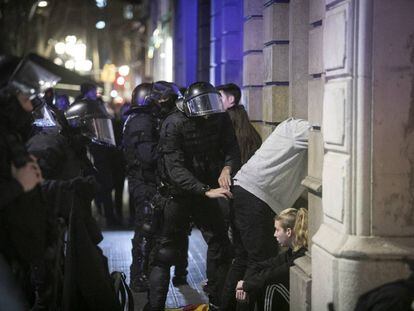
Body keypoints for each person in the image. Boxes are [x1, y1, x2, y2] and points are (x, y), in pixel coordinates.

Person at [147, 81, 241, 310]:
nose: (207, 114)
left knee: (220, 244)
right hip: (177, 194)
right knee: (164, 251)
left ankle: (218, 302)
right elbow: (175, 168)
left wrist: (227, 168)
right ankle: (155, 306)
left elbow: (231, 147)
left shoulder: (218, 117)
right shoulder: (174, 123)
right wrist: (204, 190)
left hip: (207, 190)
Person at [221, 118, 310, 311]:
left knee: (243, 258)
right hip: (257, 197)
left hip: (245, 191)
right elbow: (322, 135)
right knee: (257, 262)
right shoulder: (299, 128)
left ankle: (223, 307)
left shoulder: (288, 127)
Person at [0, 54, 59, 310]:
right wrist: (20, 185)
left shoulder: (9, 133)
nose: (30, 107)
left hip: (19, 255)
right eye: (25, 99)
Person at [235, 208, 308, 311]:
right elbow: (258, 266)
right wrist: (245, 285)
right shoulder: (290, 252)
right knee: (260, 283)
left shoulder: (301, 255)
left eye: (277, 230)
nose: (274, 234)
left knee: (270, 287)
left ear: (288, 232)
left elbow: (275, 274)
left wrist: (246, 285)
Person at [216, 83, 262, 165]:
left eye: (219, 98)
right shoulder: (243, 119)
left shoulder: (226, 121)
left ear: (231, 99)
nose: (216, 102)